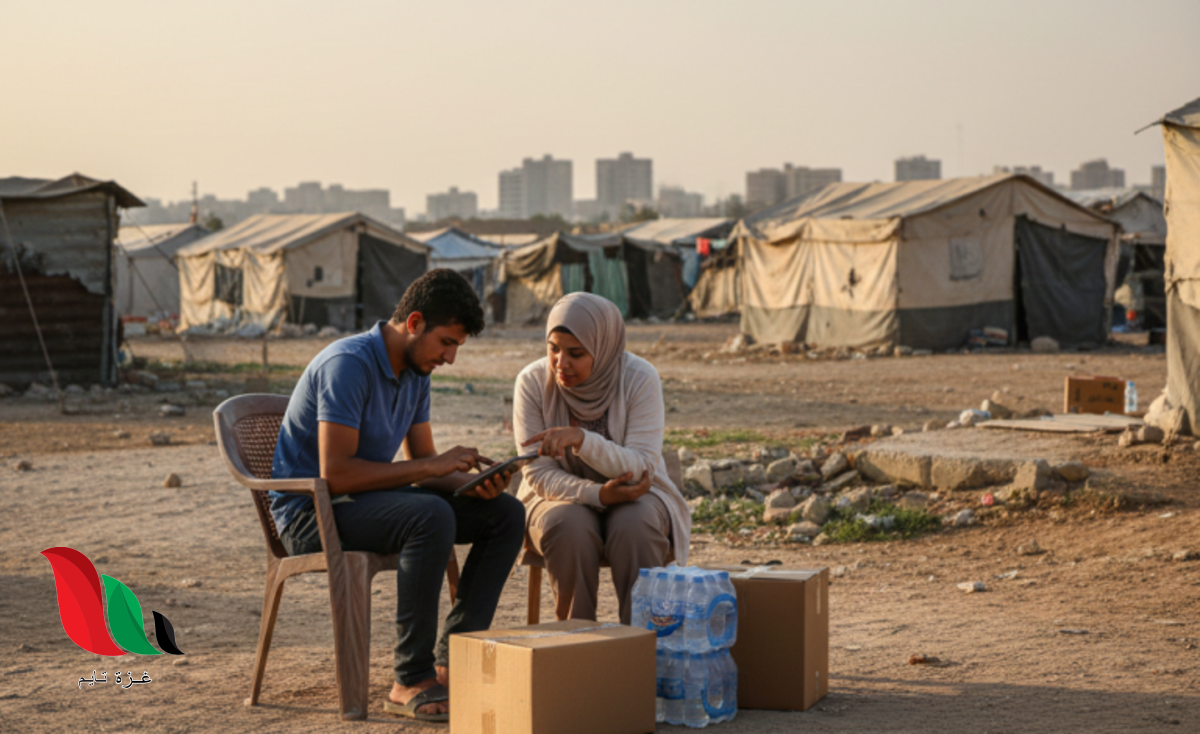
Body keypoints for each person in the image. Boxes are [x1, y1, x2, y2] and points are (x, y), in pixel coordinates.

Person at [269, 269, 525, 722]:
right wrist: (432, 466)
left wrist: (474, 486)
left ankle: (453, 663)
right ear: (414, 322)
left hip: (365, 502)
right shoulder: (347, 364)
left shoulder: (415, 371)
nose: (449, 358)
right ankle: (411, 678)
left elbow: (425, 464)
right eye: (446, 342)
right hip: (310, 513)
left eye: (456, 348)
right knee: (429, 517)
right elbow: (337, 474)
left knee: (504, 514)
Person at [512, 292, 691, 625]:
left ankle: (638, 646)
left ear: (605, 347)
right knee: (568, 526)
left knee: (636, 527)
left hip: (637, 494)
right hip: (555, 499)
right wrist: (597, 495)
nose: (560, 364)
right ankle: (578, 646)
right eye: (553, 349)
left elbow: (640, 466)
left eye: (576, 353)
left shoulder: (639, 377)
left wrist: (582, 440)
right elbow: (537, 473)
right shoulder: (533, 383)